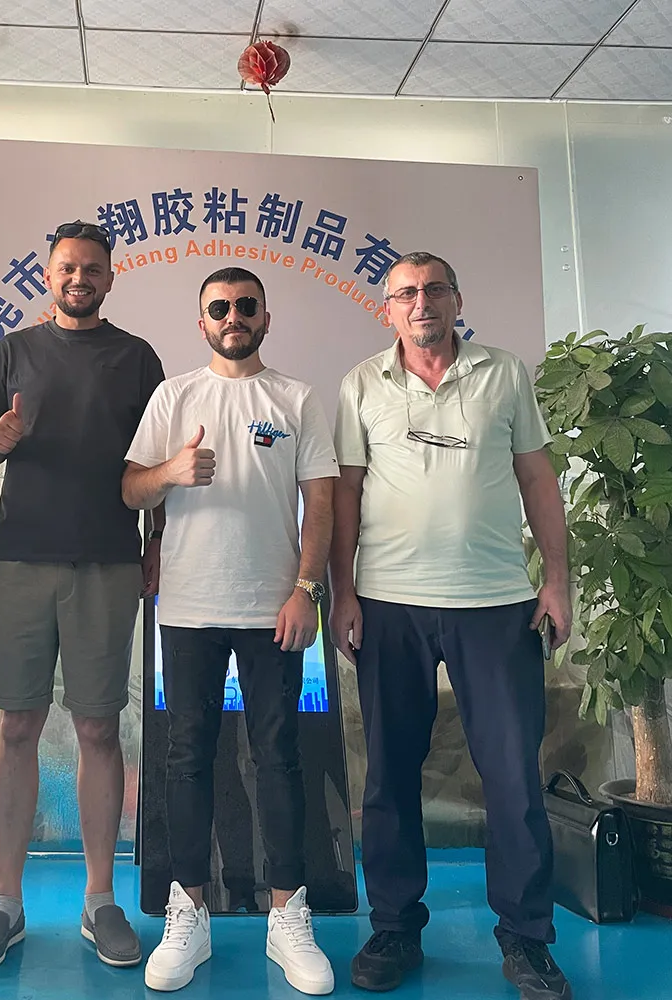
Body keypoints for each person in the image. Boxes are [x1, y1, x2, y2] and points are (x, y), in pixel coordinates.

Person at [329, 252, 573, 999]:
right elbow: (345, 494)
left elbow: (538, 477)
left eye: (434, 289)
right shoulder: (360, 384)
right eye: (405, 292)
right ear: (388, 308)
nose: (421, 302)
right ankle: (394, 926)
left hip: (496, 603)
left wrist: (556, 581)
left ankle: (525, 937)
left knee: (512, 777)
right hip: (389, 604)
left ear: (457, 300)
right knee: (390, 776)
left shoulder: (504, 374)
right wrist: (343, 593)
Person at [123, 266, 338, 996]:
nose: (233, 316)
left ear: (266, 319)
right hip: (187, 608)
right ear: (203, 322)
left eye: (247, 306)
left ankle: (288, 914)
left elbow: (321, 502)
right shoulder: (174, 395)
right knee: (187, 758)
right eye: (220, 307)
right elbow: (130, 487)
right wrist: (172, 471)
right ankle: (188, 913)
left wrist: (307, 590)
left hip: (275, 608)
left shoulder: (297, 398)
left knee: (279, 758)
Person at [0, 221, 165, 973]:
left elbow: (155, 462)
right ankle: (4, 904)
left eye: (93, 269)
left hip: (108, 560)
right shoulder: (13, 350)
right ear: (49, 276)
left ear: (111, 277)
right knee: (16, 725)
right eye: (67, 268)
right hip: (20, 558)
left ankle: (100, 900)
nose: (79, 278)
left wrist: (155, 542)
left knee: (99, 728)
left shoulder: (137, 358)